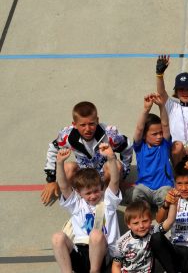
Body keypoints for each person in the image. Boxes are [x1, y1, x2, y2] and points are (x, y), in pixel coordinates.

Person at [41, 101, 132, 205]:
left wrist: (123, 173)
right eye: (83, 125)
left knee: (116, 166)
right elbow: (53, 148)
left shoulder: (110, 134)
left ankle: (106, 199)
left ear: (97, 120)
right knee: (67, 168)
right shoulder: (66, 136)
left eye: (91, 124)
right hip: (83, 176)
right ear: (74, 125)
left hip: (103, 174)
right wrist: (51, 180)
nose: (88, 129)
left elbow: (127, 146)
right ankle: (78, 202)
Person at [51, 144, 122, 273]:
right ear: (78, 192)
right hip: (80, 251)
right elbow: (64, 186)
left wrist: (111, 158)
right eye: (88, 193)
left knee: (95, 234)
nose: (93, 196)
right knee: (57, 237)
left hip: (103, 253)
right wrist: (60, 163)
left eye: (96, 191)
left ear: (101, 187)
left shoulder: (108, 201)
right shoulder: (77, 204)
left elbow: (115, 181)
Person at [130, 93, 174, 214]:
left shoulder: (164, 145)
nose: (159, 136)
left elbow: (165, 124)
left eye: (160, 133)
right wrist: (146, 109)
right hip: (145, 187)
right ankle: (145, 211)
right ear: (144, 136)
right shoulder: (140, 147)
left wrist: (161, 106)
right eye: (154, 134)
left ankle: (162, 213)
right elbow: (139, 128)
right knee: (136, 194)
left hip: (163, 187)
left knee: (168, 197)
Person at [112, 200, 176, 273]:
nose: (141, 226)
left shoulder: (153, 231)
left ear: (151, 220)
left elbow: (170, 221)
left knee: (157, 238)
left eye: (145, 221)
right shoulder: (121, 242)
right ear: (129, 225)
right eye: (136, 223)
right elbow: (116, 265)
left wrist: (173, 202)